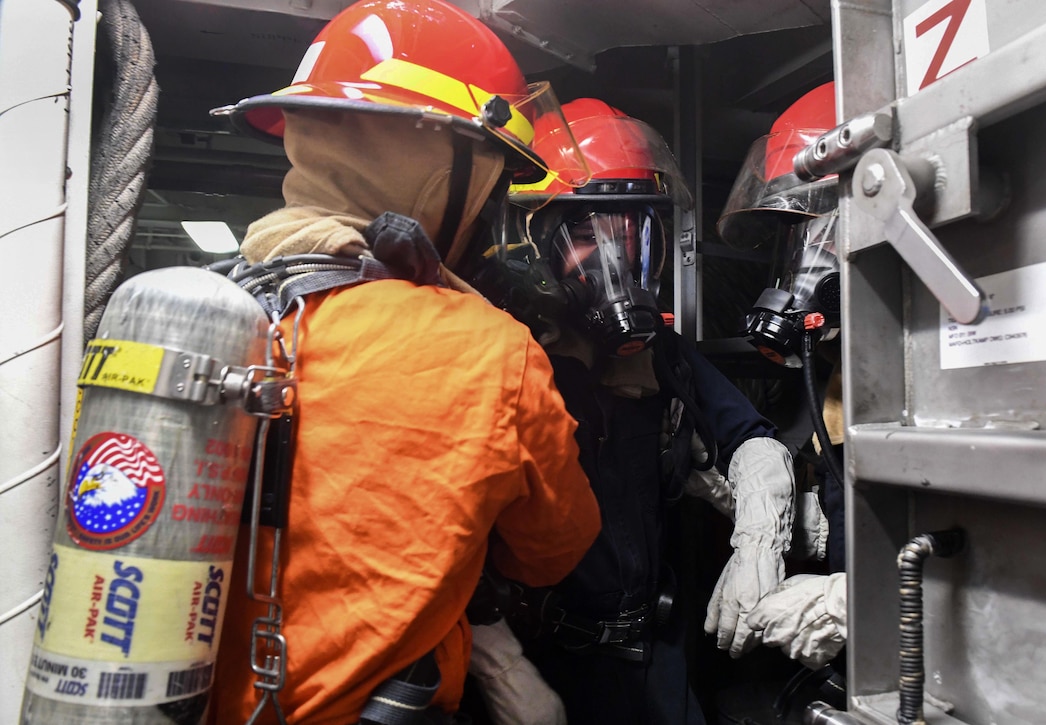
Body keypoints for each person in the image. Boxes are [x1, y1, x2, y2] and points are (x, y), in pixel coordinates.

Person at [206, 2, 602, 723]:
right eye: (488, 178)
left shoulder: (200, 309)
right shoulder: (491, 350)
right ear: (434, 165)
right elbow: (553, 549)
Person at [469, 97, 798, 725]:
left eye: (632, 231)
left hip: (657, 657)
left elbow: (750, 437)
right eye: (589, 234)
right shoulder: (503, 352)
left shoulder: (661, 354)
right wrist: (498, 666)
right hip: (541, 660)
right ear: (534, 243)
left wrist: (760, 537)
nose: (615, 257)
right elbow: (442, 526)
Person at [716, 81, 849, 675]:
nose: (806, 260)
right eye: (796, 237)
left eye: (823, 230)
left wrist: (856, 602)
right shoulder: (845, 365)